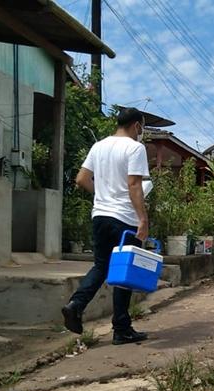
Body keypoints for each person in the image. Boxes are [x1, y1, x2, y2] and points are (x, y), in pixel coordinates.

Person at [61, 107, 150, 345]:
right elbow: (134, 185)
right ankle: (121, 329)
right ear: (136, 125)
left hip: (100, 216)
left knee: (101, 266)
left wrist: (102, 195)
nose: (141, 132)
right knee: (123, 273)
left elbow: (81, 179)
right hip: (125, 219)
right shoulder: (135, 148)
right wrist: (143, 219)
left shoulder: (98, 146)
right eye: (142, 127)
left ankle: (76, 304)